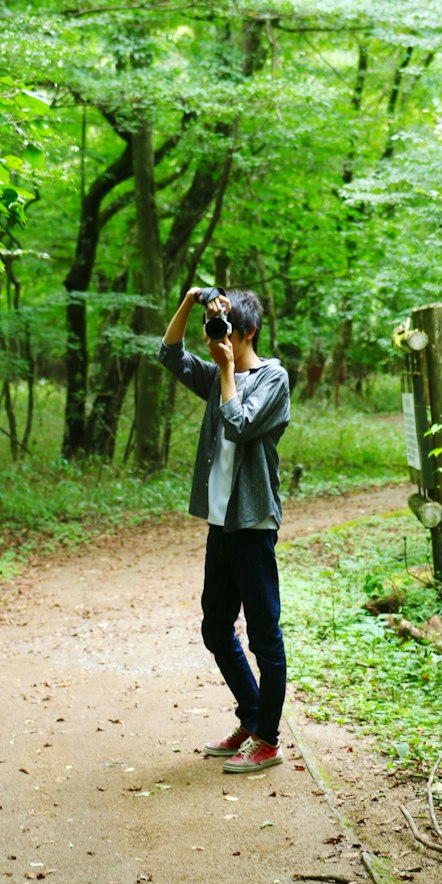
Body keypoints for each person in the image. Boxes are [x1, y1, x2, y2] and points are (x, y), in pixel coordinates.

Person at [159, 285, 290, 773]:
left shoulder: (272, 378)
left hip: (253, 524)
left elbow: (238, 425)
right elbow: (169, 354)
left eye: (226, 328)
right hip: (221, 523)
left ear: (248, 331)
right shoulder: (219, 375)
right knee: (216, 627)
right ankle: (253, 717)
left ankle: (269, 739)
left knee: (263, 635)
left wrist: (229, 370)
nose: (217, 338)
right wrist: (192, 302)